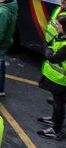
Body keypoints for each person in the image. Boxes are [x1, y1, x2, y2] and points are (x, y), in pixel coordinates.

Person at [40, 12, 66, 140]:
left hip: (61, 80)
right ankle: (54, 120)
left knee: (59, 103)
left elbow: (52, 57)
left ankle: (55, 129)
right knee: (57, 102)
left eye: (58, 24)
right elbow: (49, 44)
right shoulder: (61, 36)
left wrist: (49, 51)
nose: (55, 25)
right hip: (56, 78)